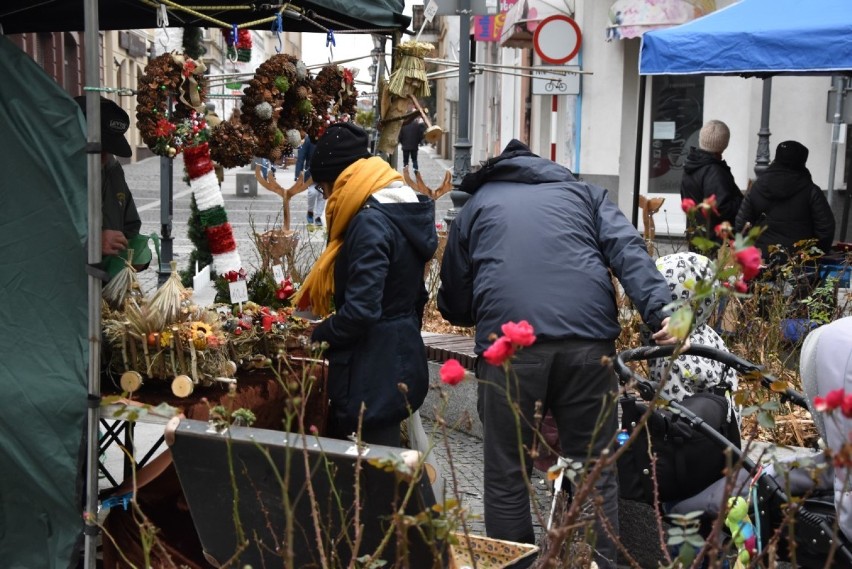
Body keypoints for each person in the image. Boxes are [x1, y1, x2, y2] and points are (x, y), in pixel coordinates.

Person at [437, 139, 680, 569]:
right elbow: (627, 248)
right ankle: (597, 565)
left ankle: (516, 566)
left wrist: (472, 309)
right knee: (593, 470)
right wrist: (660, 308)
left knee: (508, 472)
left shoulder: (477, 205)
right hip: (589, 344)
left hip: (511, 348)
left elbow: (455, 298)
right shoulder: (584, 194)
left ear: (495, 170)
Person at [292, 122, 438, 447]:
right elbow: (415, 295)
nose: (326, 197)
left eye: (323, 187)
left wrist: (318, 333)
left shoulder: (370, 223)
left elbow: (361, 310)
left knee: (373, 475)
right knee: (384, 467)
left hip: (374, 370)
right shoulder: (399, 206)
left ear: (339, 179)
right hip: (397, 354)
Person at [75, 96, 145, 272]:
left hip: (106, 289)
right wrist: (93, 242)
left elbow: (130, 225)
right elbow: (39, 237)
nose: (106, 157)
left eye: (109, 150)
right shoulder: (50, 174)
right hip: (67, 290)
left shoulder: (112, 170)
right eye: (99, 149)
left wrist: (136, 253)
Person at [735, 140, 835, 263]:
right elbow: (825, 230)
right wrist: (814, 255)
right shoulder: (811, 191)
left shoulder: (757, 188)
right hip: (799, 263)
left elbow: (742, 226)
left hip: (761, 261)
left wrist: (751, 252)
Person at [680, 120, 743, 249]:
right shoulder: (714, 170)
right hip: (714, 243)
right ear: (724, 143)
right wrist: (742, 200)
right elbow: (720, 208)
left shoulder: (692, 166)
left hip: (698, 238)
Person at [295, 129, 324, 228]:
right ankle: (310, 211)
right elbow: (301, 157)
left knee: (322, 195)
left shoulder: (327, 137)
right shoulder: (308, 139)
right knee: (312, 192)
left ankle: (318, 217)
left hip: (324, 173)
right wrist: (297, 174)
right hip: (310, 173)